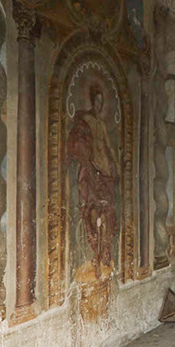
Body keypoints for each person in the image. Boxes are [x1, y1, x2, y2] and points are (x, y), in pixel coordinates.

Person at [65, 79, 120, 274]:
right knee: (91, 210)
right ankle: (95, 253)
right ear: (92, 101)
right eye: (97, 101)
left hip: (105, 171)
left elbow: (108, 146)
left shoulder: (102, 125)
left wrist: (116, 164)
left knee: (108, 211)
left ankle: (105, 251)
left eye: (102, 103)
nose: (99, 106)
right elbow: (77, 142)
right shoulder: (86, 121)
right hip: (92, 169)